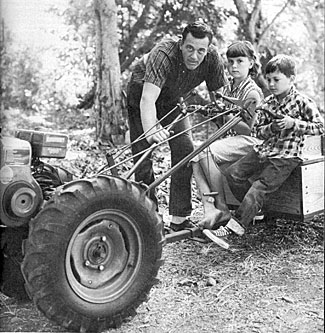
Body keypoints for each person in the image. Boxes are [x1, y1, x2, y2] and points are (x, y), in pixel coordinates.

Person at [205, 54, 324, 248]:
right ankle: (255, 210)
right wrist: (272, 129)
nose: (271, 84)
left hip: (286, 156)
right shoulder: (267, 104)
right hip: (264, 150)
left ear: (291, 78)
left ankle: (236, 227)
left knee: (259, 186)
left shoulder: (303, 102)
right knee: (233, 174)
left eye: (277, 79)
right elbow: (257, 131)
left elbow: (320, 127)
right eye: (268, 80)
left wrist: (294, 124)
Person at [127, 21, 228, 231]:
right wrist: (151, 130)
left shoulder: (212, 59)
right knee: (144, 153)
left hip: (173, 98)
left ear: (208, 49)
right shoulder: (164, 52)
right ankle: (149, 218)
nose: (194, 56)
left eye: (201, 51)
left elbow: (222, 101)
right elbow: (147, 99)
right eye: (190, 48)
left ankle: (179, 219)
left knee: (185, 150)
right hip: (142, 92)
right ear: (181, 43)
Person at [192, 40, 264, 232]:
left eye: (240, 61)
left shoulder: (252, 92)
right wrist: (212, 111)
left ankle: (223, 209)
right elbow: (222, 119)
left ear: (251, 62)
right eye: (231, 61)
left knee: (206, 153)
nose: (234, 66)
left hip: (251, 141)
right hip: (232, 139)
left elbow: (248, 129)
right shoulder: (228, 88)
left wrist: (226, 113)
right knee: (194, 156)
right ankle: (210, 209)